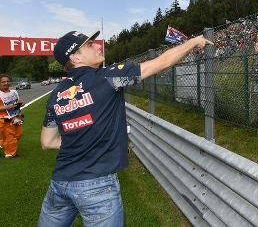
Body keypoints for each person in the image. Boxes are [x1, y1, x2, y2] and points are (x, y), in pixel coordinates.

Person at [38, 30, 212, 226]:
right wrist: (192, 42)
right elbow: (161, 63)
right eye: (89, 45)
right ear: (75, 57)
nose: (97, 46)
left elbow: (47, 142)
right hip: (97, 184)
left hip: (60, 183)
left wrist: (80, 142)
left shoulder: (57, 94)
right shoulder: (108, 77)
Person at [0, 74, 24, 158]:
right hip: (5, 119)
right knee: (10, 136)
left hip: (16, 117)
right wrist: (9, 106)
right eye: (3, 82)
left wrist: (20, 103)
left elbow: (18, 103)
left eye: (7, 81)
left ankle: (2, 143)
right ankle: (10, 154)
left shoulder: (14, 92)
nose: (6, 83)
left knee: (19, 134)